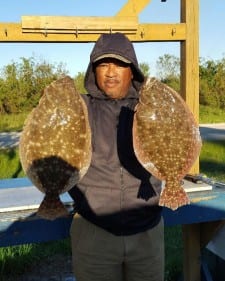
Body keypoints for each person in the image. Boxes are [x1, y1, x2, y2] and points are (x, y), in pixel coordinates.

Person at [69, 32, 164, 281]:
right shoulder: (78, 108)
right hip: (93, 231)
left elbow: (177, 139)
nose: (110, 72)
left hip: (147, 231)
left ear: (132, 70)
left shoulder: (152, 106)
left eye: (119, 64)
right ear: (93, 71)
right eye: (102, 64)